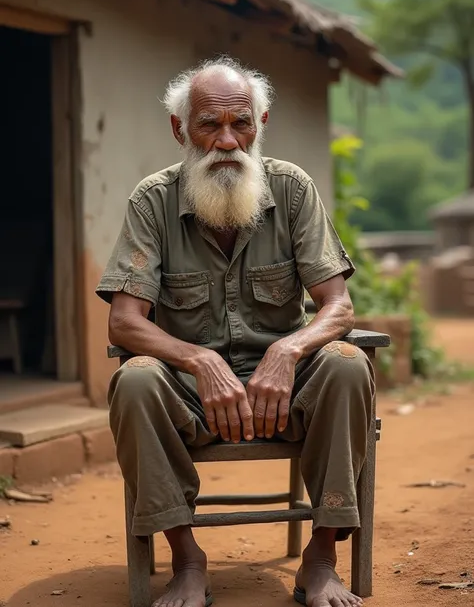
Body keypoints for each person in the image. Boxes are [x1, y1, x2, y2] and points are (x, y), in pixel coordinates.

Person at [96, 56, 374, 607]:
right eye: (209, 124)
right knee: (133, 382)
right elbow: (124, 321)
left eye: (241, 123)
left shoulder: (292, 190)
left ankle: (320, 558)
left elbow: (338, 307)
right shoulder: (152, 201)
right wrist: (199, 360)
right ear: (181, 129)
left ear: (260, 123)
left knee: (346, 362)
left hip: (284, 390)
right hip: (191, 398)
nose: (228, 141)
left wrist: (287, 351)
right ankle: (187, 558)